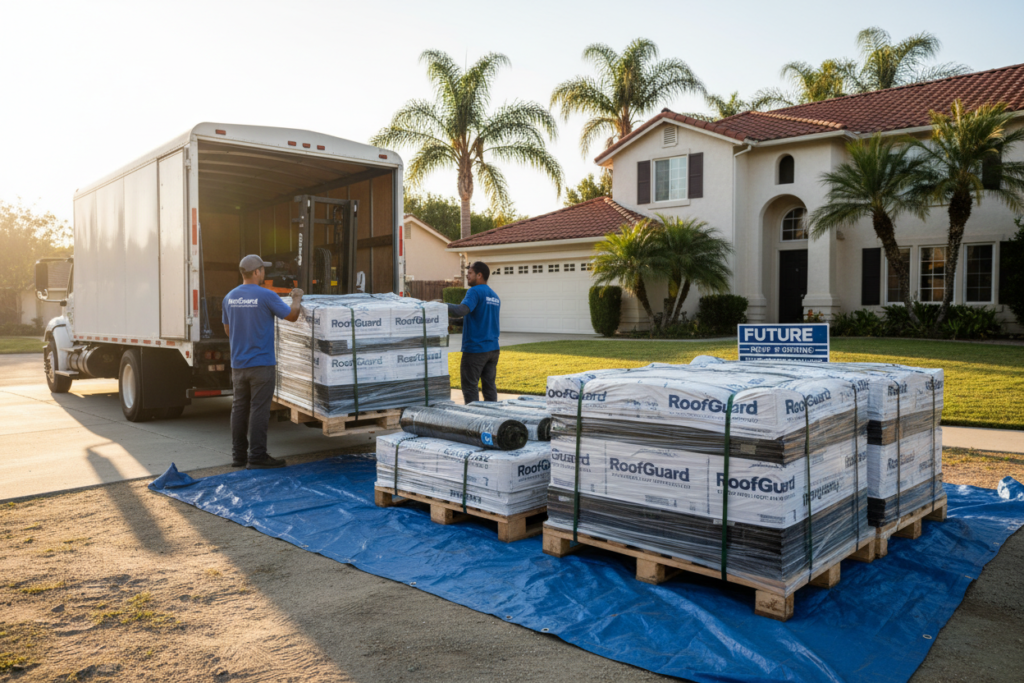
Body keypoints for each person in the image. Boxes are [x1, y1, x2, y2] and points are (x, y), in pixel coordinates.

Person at [222, 254, 304, 469]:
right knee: (259, 409)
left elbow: (228, 330)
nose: (264, 273)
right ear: (257, 272)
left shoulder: (229, 297)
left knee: (239, 408)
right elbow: (292, 316)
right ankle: (257, 456)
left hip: (238, 365)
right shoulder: (266, 296)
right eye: (263, 270)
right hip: (262, 364)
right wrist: (297, 297)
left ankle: (238, 456)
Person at [446, 261, 500, 404]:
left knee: (470, 388)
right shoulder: (494, 296)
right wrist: (450, 321)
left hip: (475, 350)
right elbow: (476, 320)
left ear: (479, 275)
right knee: (489, 388)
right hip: (493, 350)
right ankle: (492, 421)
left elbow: (461, 310)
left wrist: (438, 306)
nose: (467, 276)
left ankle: (473, 422)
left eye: (470, 273)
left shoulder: (474, 291)